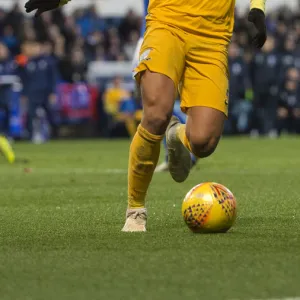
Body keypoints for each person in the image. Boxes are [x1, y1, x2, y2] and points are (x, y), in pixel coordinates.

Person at [25, 0, 267, 233]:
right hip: (166, 24)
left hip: (213, 37)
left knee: (203, 142)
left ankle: (176, 135)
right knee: (156, 115)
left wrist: (258, 7)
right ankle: (136, 210)